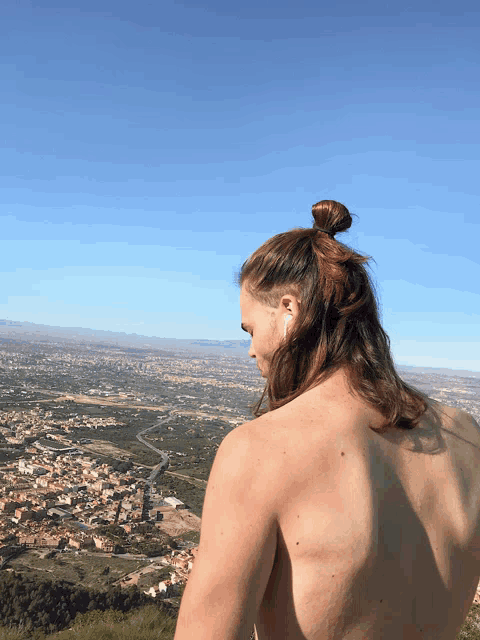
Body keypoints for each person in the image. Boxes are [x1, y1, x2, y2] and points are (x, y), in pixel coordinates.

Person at [174, 200, 480, 640]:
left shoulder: (258, 453)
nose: (250, 351)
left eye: (250, 329)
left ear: (288, 311)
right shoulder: (467, 436)